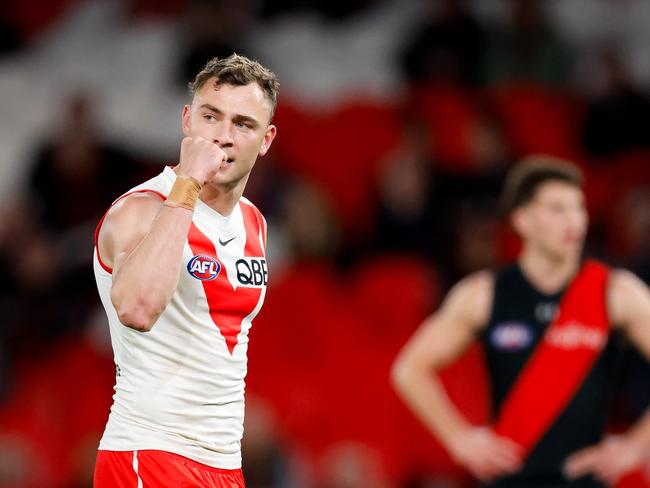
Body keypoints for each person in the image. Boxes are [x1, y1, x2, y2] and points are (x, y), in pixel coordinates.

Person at [391, 156, 650, 487]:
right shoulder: (483, 295)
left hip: (586, 480)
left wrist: (635, 446)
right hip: (511, 479)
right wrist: (458, 439)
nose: (574, 222)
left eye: (578, 208)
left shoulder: (616, 292)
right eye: (557, 209)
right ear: (523, 220)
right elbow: (410, 369)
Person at [92, 54, 278, 487]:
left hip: (224, 464)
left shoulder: (253, 221)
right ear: (186, 120)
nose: (224, 137)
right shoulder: (141, 209)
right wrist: (188, 184)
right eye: (211, 117)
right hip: (150, 454)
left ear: (266, 139)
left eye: (243, 125)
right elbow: (138, 308)